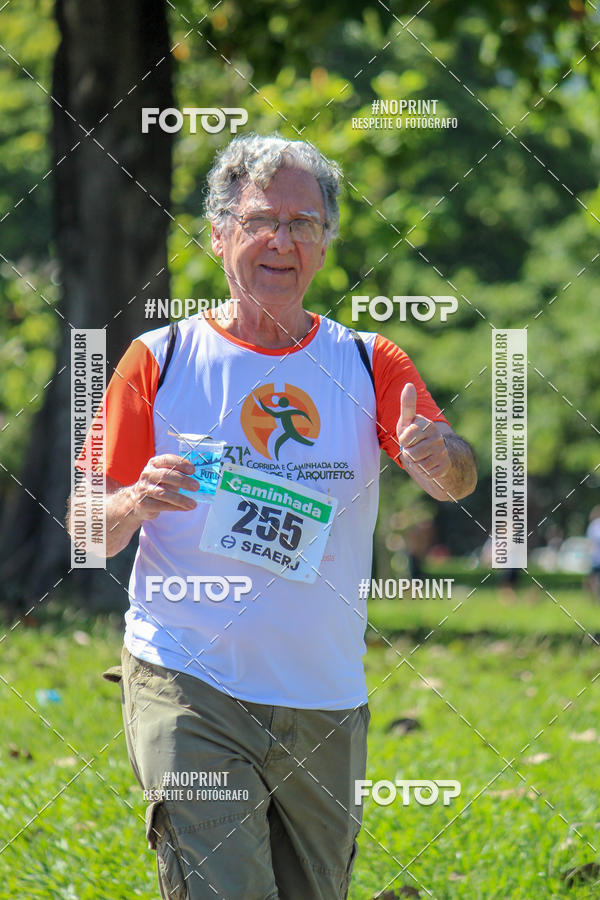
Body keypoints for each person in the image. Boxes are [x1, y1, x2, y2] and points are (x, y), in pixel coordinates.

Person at [68, 133, 477, 900]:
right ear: (219, 235)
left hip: (323, 695)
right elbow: (88, 526)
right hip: (189, 679)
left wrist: (436, 456)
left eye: (304, 224)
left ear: (324, 245)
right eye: (260, 220)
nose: (280, 241)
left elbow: (456, 475)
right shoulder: (157, 359)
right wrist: (132, 501)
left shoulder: (368, 363)